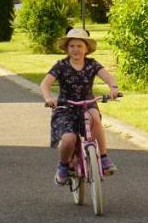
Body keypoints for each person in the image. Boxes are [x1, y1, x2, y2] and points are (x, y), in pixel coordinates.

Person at [40, 27, 120, 186]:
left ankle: (103, 157)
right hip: (65, 108)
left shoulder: (92, 64)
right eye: (72, 46)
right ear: (66, 48)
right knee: (69, 139)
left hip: (87, 104)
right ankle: (63, 165)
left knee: (95, 117)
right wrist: (49, 98)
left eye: (79, 46)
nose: (75, 49)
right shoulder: (61, 65)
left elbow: (108, 77)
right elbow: (45, 84)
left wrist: (113, 88)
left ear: (87, 49)